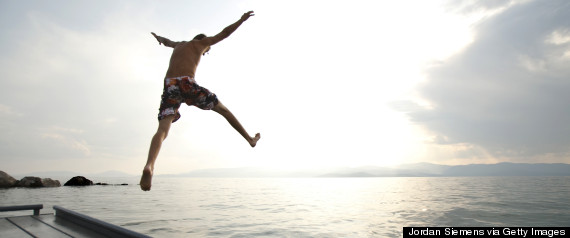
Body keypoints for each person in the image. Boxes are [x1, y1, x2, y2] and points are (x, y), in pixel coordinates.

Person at [140, 11, 260, 191]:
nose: (204, 53)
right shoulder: (201, 43)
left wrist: (159, 38)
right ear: (203, 42)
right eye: (206, 52)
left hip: (169, 85)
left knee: (163, 130)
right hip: (187, 83)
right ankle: (250, 139)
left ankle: (149, 165)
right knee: (223, 110)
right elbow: (224, 33)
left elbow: (167, 42)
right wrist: (241, 20)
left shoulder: (179, 45)